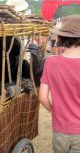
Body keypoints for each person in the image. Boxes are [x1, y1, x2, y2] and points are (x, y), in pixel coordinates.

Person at [39, 15, 80, 153]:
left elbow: (43, 97)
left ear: (60, 38)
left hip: (60, 129)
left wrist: (52, 110)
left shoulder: (51, 62)